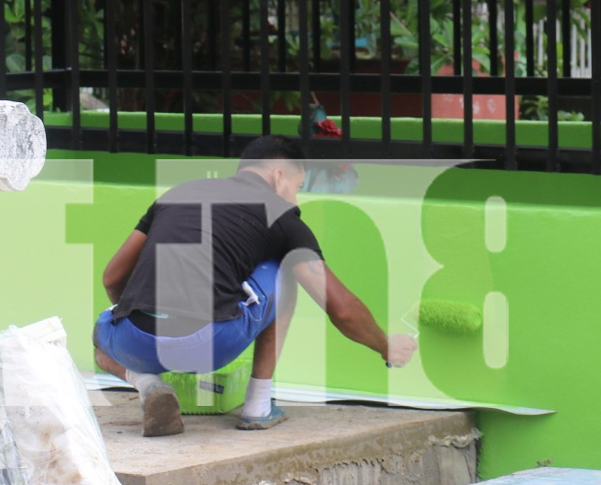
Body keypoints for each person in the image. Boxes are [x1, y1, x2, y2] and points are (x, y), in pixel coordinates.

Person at [93, 135, 416, 437]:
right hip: (210, 343)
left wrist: (148, 329)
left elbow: (113, 277)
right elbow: (342, 309)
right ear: (279, 176)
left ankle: (148, 384)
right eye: (297, 186)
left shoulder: (178, 193)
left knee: (101, 340)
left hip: (132, 342)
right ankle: (258, 405)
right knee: (288, 265)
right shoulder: (283, 216)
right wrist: (385, 346)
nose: (295, 197)